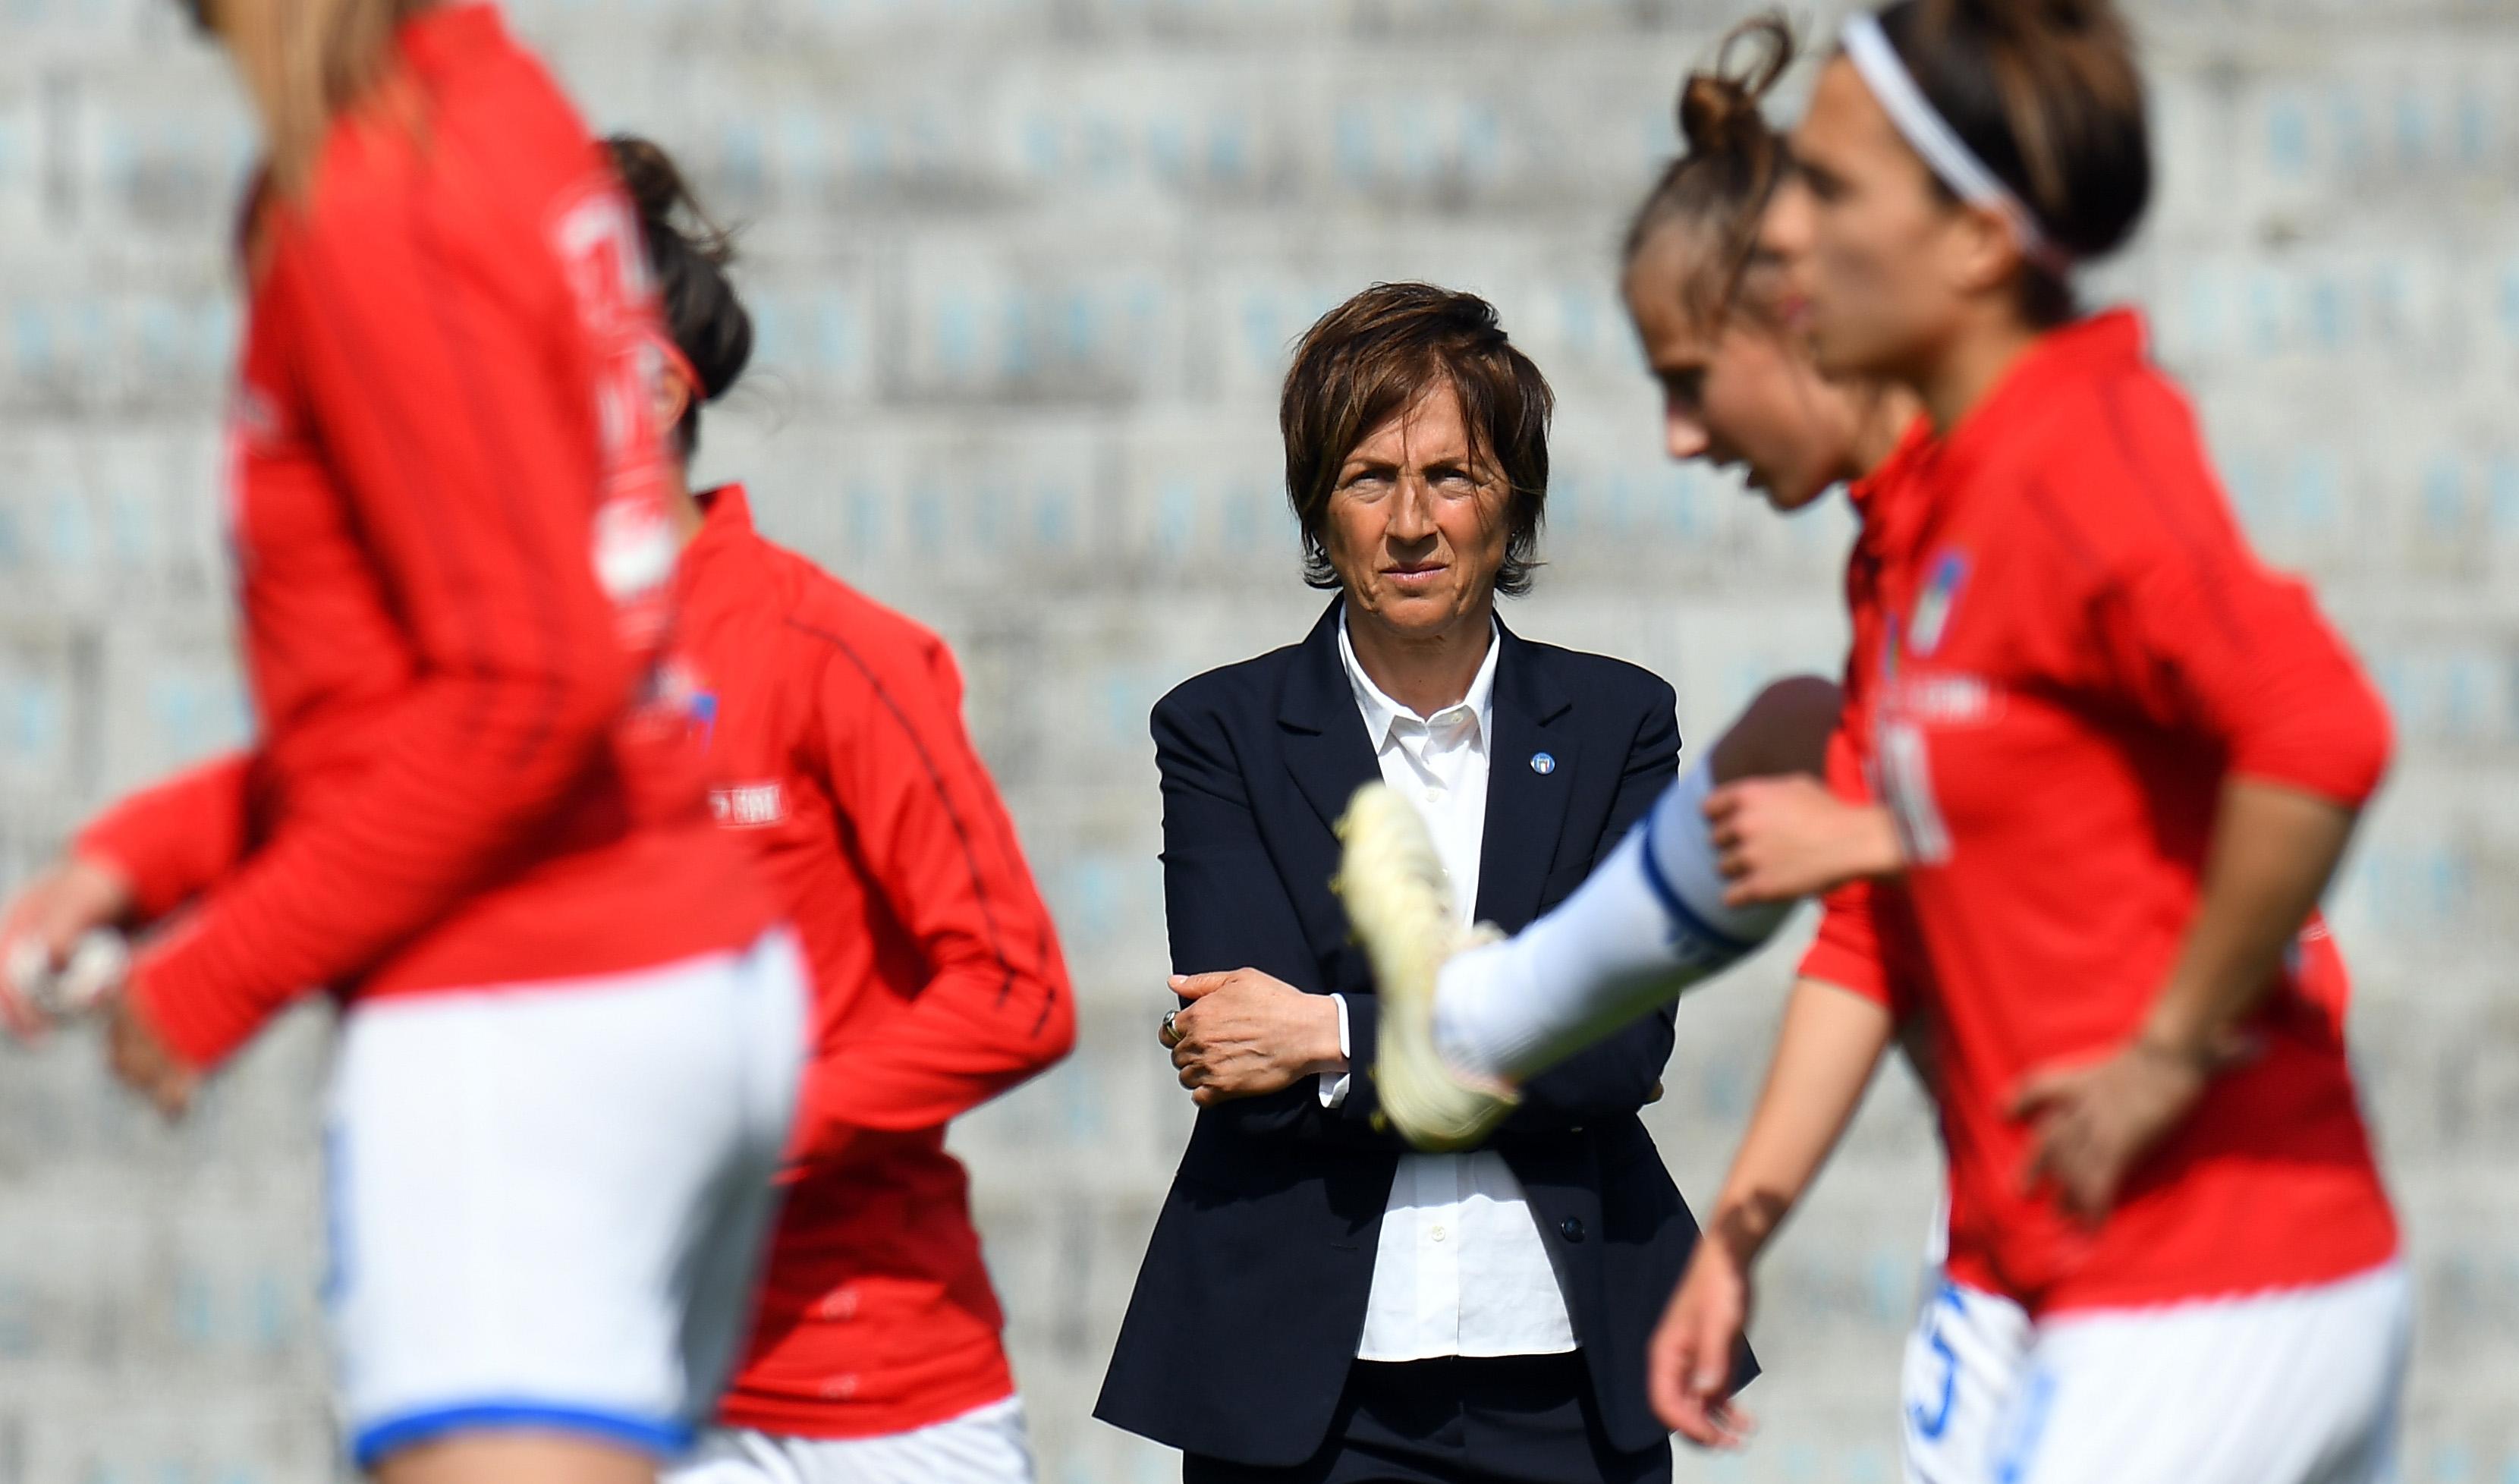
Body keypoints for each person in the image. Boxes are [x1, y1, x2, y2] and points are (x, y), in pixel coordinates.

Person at [1356, 3, 2410, 1481]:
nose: (1787, 228)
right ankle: (1477, 1018)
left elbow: (2320, 729)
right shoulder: (1938, 524)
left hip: (2207, 1268)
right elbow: (1907, 913)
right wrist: (1739, 1230)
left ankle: (1478, 1018)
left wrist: (2164, 1053)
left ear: (1975, 243)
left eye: (1830, 190)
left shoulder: (2070, 456)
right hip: (2104, 1262)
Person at [0, 5, 807, 1483]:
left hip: (533, 1012)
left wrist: (216, 974)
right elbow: (450, 683)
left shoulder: (378, 193)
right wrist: (147, 857)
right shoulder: (489, 102)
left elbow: (524, 690)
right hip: (668, 969)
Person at [1095, 282, 1744, 1484]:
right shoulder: (1221, 731)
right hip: (1303, 1391)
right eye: (1367, 478)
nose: (1411, 523)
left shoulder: (1617, 723)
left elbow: (1618, 1050)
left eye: (1453, 476)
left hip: (1569, 1375)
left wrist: (1331, 1031)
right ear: (1318, 511)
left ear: (1514, 505)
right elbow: (1244, 1069)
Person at [594, 135, 1077, 1484]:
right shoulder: (507, 681)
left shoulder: (827, 650)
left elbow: (1019, 993)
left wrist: (755, 1125)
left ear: (649, 388)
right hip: (615, 1400)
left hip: (878, 1414)